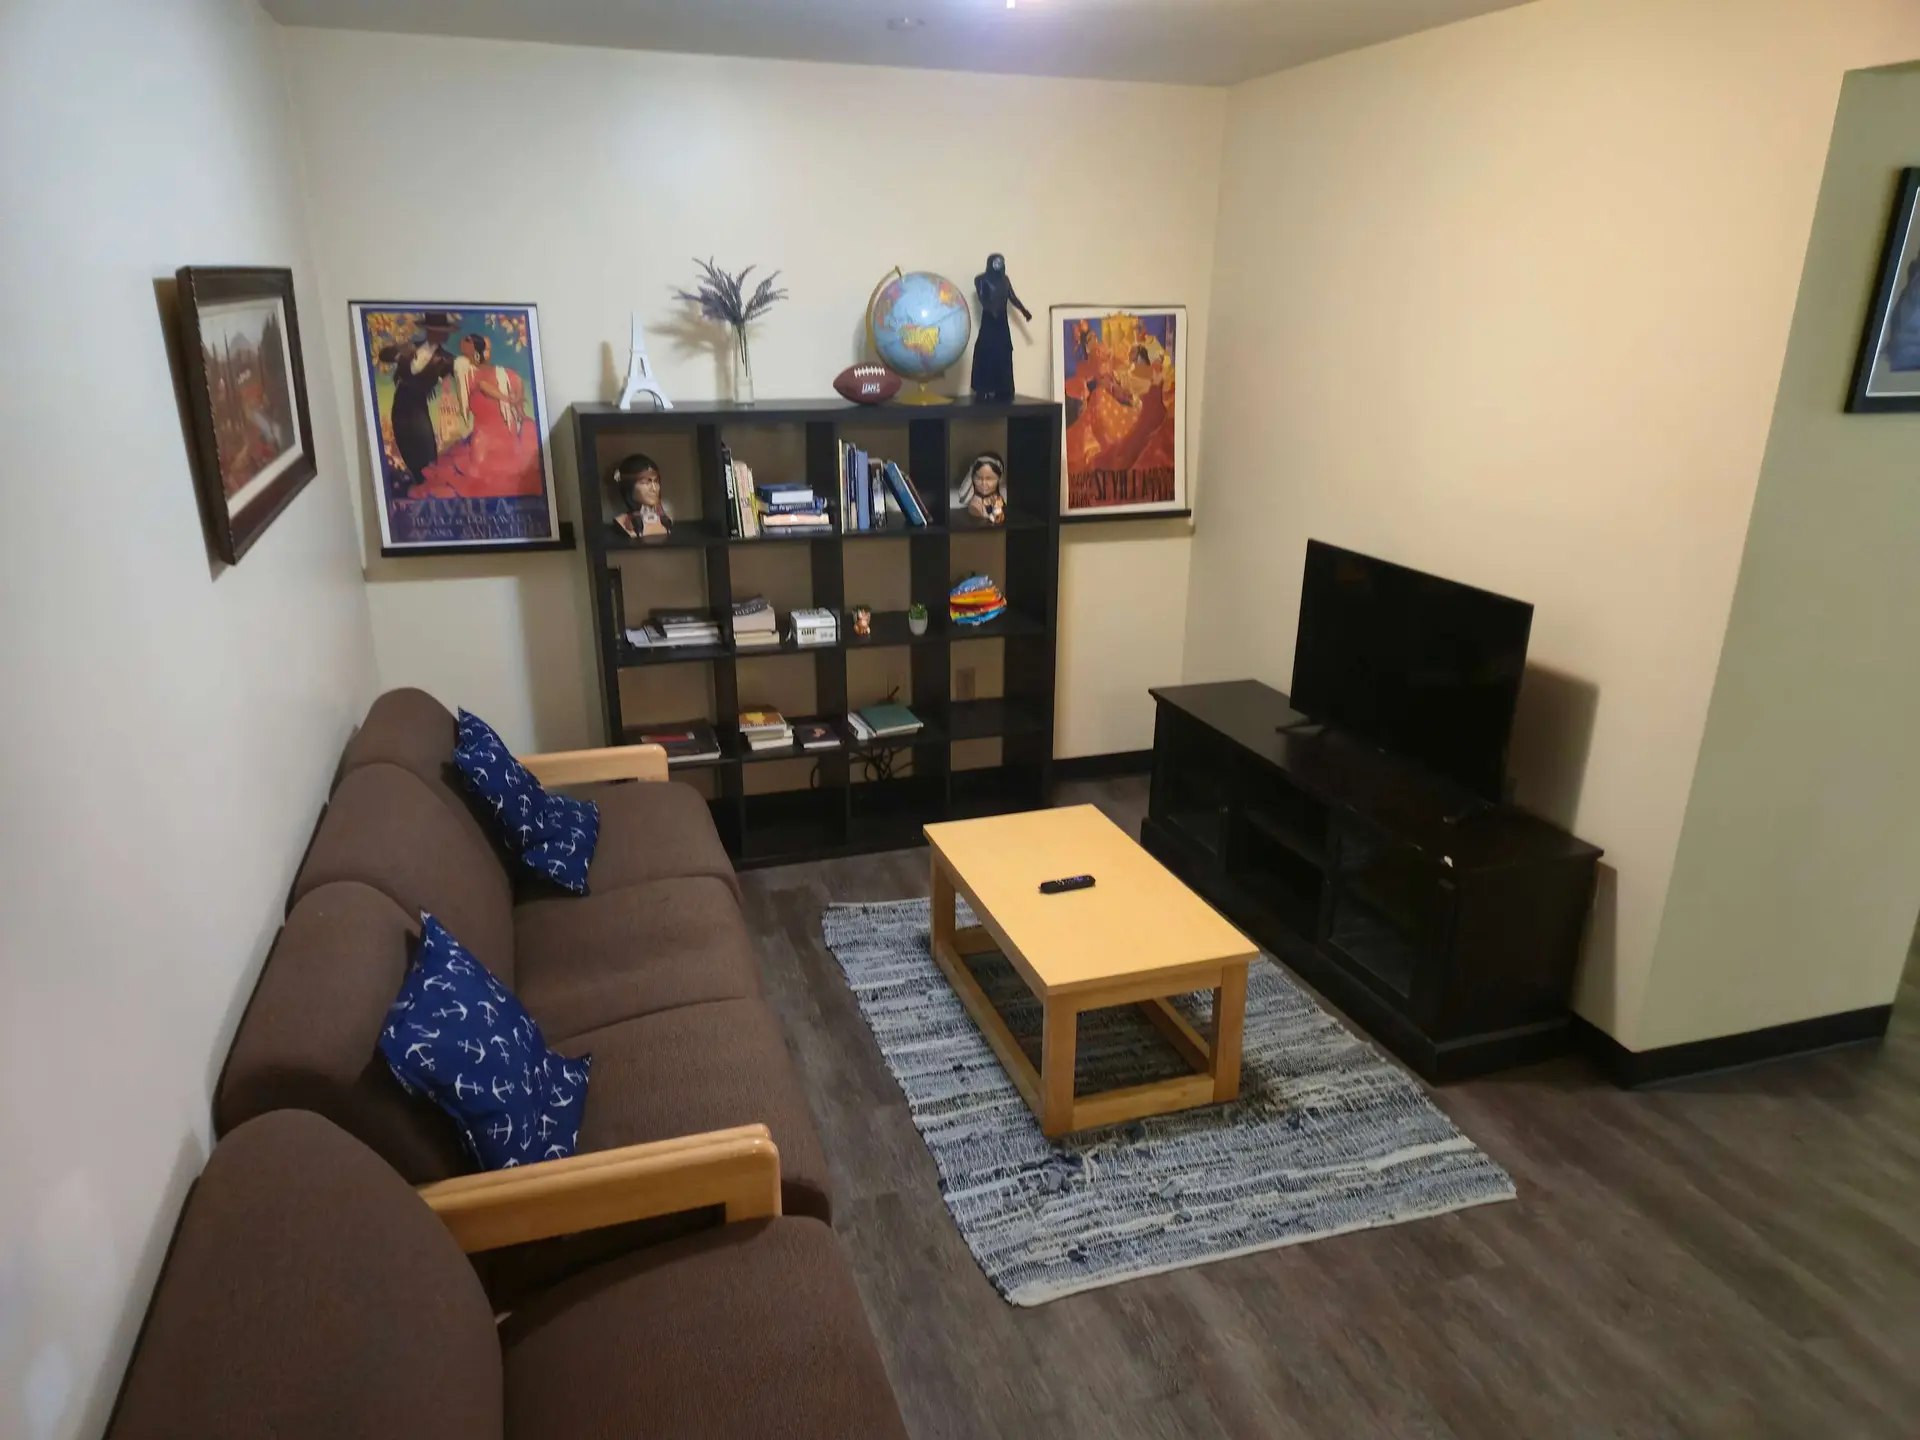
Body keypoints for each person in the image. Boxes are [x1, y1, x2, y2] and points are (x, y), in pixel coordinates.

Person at [419, 332, 544, 497]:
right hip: (486, 435)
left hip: (499, 435)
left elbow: (510, 384)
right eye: (485, 349)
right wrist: (509, 399)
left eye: (488, 349)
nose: (487, 353)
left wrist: (517, 404)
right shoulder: (468, 372)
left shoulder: (498, 373)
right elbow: (484, 385)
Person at [378, 312, 457, 496]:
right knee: (406, 446)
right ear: (429, 330)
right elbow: (384, 354)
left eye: (444, 331)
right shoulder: (410, 346)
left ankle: (428, 490)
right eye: (439, 330)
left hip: (418, 407)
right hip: (401, 405)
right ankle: (417, 488)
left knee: (426, 448)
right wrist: (401, 358)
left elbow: (461, 373)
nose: (443, 334)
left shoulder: (446, 358)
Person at [971, 254, 1031, 402]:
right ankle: (982, 388)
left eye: (1000, 262)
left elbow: (1012, 297)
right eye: (995, 262)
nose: (998, 265)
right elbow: (982, 297)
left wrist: (1024, 311)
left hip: (1002, 320)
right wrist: (991, 309)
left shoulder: (1005, 280)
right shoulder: (980, 279)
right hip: (989, 319)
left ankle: (1003, 388)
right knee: (985, 351)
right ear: (990, 263)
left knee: (1004, 352)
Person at [612, 453, 671, 537]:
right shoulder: (623, 522)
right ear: (629, 486)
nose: (654, 488)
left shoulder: (666, 520)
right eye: (645, 482)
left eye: (656, 481)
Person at [952, 452, 1007, 524]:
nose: (983, 483)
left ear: (999, 479)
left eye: (989, 479)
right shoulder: (975, 503)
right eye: (978, 478)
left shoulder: (1001, 499)